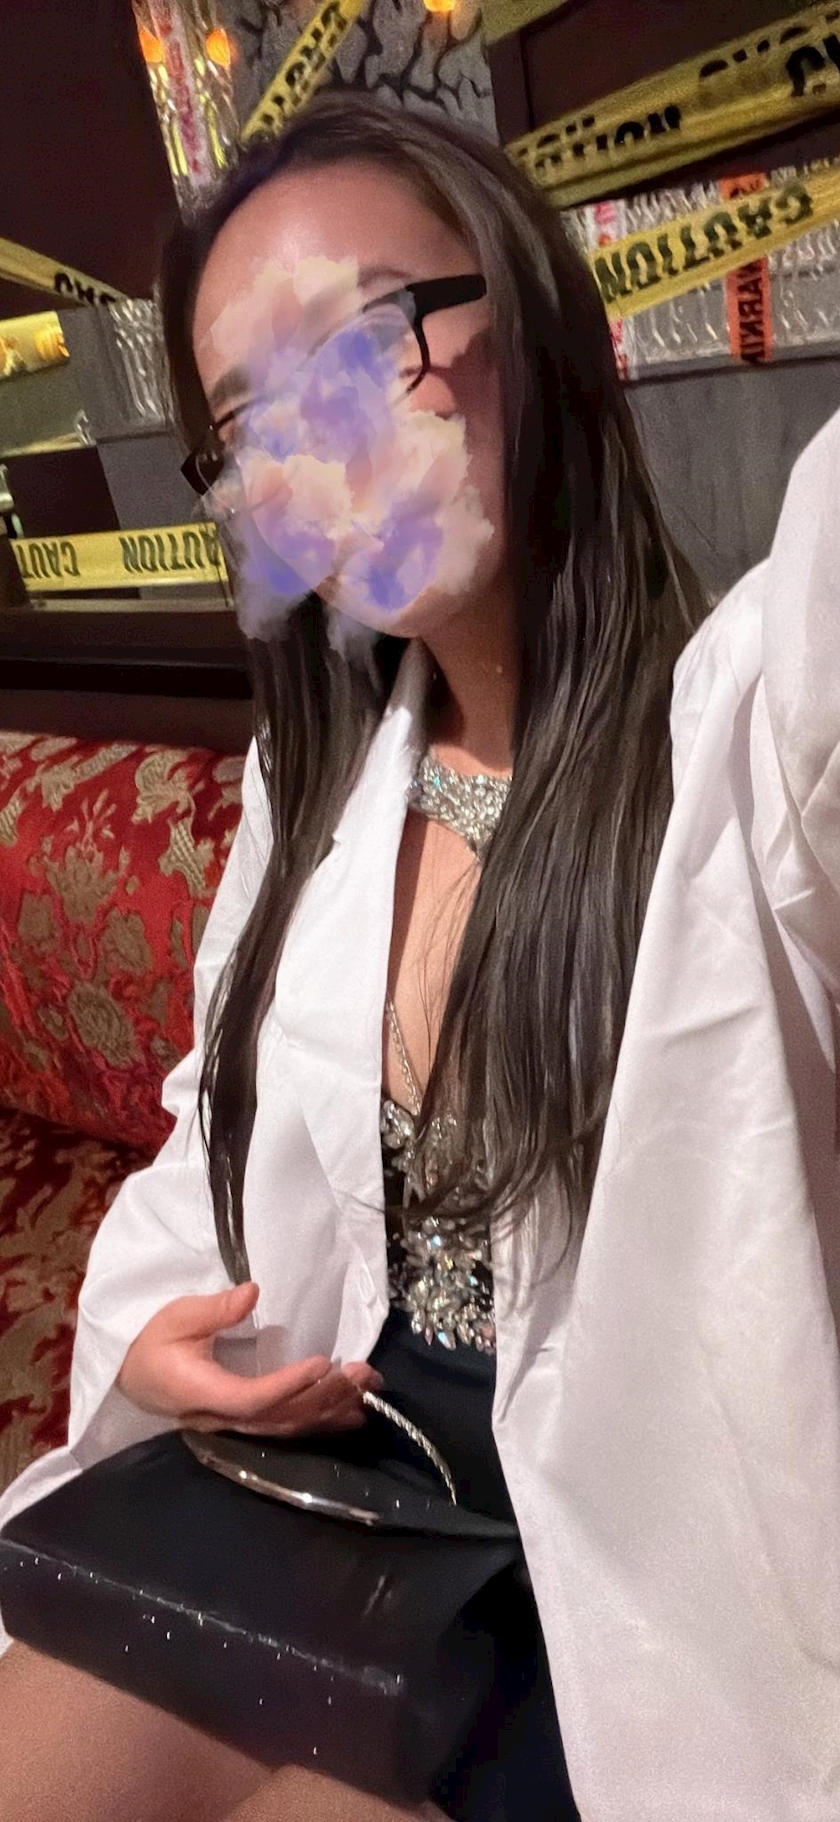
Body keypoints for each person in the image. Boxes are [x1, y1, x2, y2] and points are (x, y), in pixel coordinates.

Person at [1, 89, 840, 1822]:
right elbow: (213, 1133)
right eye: (252, 419)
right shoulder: (311, 783)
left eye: (365, 338)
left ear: (522, 305)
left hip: (608, 1553)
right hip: (329, 1470)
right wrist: (158, 1341)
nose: (321, 443)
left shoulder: (751, 738)